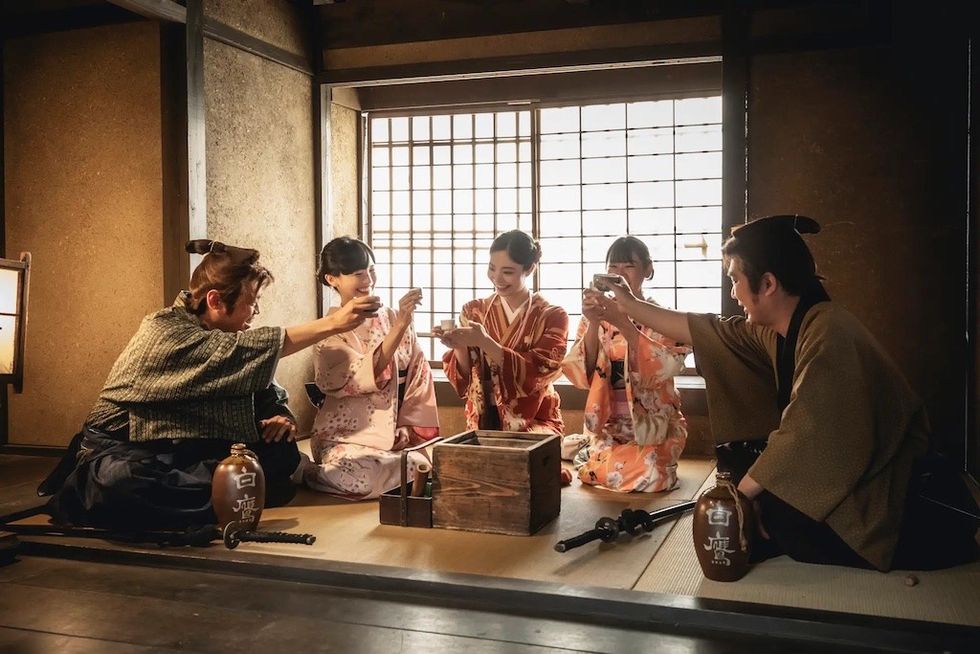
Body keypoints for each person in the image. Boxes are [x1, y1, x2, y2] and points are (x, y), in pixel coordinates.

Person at [596, 215, 978, 571]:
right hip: (846, 470)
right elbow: (705, 331)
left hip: (888, 487)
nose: (733, 292)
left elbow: (808, 431)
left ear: (768, 284)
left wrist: (738, 497)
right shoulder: (780, 328)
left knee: (779, 519)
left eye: (735, 280)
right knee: (769, 512)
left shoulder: (828, 332)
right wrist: (629, 303)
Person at [39, 239, 380, 530]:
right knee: (120, 484)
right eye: (251, 301)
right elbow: (234, 354)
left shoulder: (229, 337)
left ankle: (226, 492)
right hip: (127, 451)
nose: (256, 310)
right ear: (216, 301)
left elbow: (265, 388)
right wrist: (332, 323)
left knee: (279, 454)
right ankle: (229, 495)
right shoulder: (164, 331)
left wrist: (281, 417)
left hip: (188, 447)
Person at [305, 237, 439, 500]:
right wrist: (401, 325)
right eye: (358, 273)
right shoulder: (328, 332)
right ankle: (307, 471)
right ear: (333, 279)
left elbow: (418, 374)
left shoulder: (391, 317)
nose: (368, 279)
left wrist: (407, 427)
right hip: (345, 438)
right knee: (365, 477)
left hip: (393, 437)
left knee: (421, 466)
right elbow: (361, 377)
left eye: (371, 270)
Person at [561, 237, 691, 493]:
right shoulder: (597, 317)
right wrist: (595, 322)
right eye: (613, 268)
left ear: (648, 269)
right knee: (603, 470)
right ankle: (592, 453)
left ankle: (590, 457)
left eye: (628, 266)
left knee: (652, 473)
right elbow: (581, 373)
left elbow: (664, 367)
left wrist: (623, 323)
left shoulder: (662, 316)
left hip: (655, 426)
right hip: (611, 427)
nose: (619, 275)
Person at [435, 230, 568, 434]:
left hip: (535, 421)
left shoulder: (552, 316)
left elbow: (540, 370)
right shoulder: (474, 311)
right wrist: (459, 347)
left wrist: (486, 342)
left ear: (529, 269)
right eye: (491, 268)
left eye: (507, 272)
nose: (497, 278)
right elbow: (467, 378)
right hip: (484, 419)